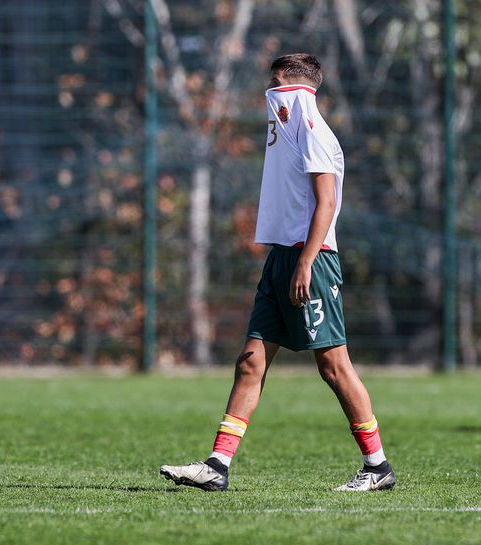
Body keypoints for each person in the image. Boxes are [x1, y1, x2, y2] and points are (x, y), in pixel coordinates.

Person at [160, 54, 396, 491]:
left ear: (295, 87)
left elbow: (326, 202)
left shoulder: (315, 132)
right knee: (250, 361)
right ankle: (217, 465)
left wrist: (306, 261)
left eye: (276, 83)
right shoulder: (288, 132)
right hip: (280, 259)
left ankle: (377, 466)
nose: (269, 93)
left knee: (333, 366)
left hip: (313, 260)